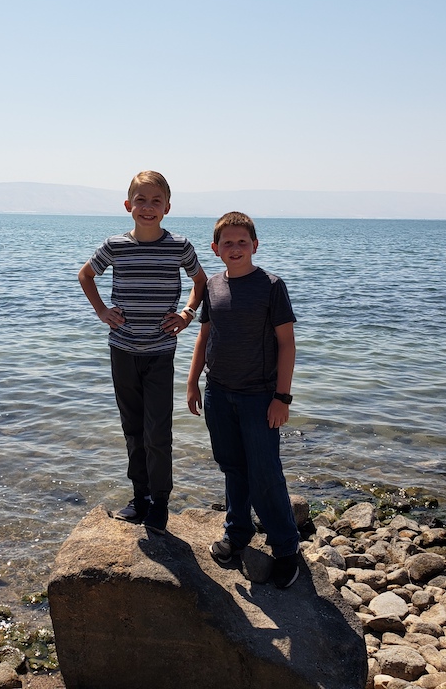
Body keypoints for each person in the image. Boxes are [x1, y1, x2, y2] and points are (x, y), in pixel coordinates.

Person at [78, 171, 207, 534]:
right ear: (128, 205)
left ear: (167, 207)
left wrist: (187, 313)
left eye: (155, 201)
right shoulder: (114, 245)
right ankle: (140, 497)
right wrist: (102, 311)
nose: (147, 208)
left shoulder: (179, 246)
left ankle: (160, 502)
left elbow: (200, 282)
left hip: (161, 351)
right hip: (122, 349)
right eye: (140, 200)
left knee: (158, 429)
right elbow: (86, 275)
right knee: (132, 427)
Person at [186, 211, 301, 589]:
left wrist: (281, 397)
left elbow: (286, 343)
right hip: (218, 392)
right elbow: (204, 338)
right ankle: (237, 534)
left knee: (265, 472)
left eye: (243, 242)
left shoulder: (271, 286)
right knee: (232, 468)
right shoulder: (214, 287)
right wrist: (192, 383)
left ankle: (286, 548)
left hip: (258, 396)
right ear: (215, 249)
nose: (236, 248)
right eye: (228, 243)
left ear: (255, 245)